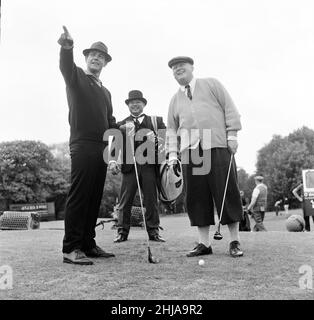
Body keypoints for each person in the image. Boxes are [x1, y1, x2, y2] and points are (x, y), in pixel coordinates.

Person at [166, 56, 244, 258]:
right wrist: (173, 155)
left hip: (217, 145)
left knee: (227, 193)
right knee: (196, 197)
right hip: (190, 153)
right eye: (174, 68)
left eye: (181, 65)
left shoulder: (211, 84)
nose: (178, 69)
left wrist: (232, 135)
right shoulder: (175, 99)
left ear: (192, 67)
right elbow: (172, 129)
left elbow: (230, 108)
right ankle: (204, 244)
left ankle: (234, 241)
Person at [58, 26, 117, 265]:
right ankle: (71, 248)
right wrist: (66, 47)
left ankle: (88, 244)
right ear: (86, 58)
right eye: (92, 54)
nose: (96, 58)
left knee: (94, 197)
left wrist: (122, 134)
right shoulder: (76, 77)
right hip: (82, 144)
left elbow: (111, 123)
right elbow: (65, 66)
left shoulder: (107, 92)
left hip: (101, 149)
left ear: (105, 63)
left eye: (101, 56)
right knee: (80, 195)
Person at [109, 90, 166, 243]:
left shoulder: (156, 121)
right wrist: (113, 161)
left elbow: (164, 142)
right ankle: (122, 232)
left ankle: (153, 232)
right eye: (131, 102)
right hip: (129, 167)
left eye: (138, 102)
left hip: (149, 166)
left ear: (143, 104)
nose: (134, 104)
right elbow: (115, 144)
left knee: (151, 200)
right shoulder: (121, 124)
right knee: (125, 201)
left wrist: (155, 139)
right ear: (128, 105)